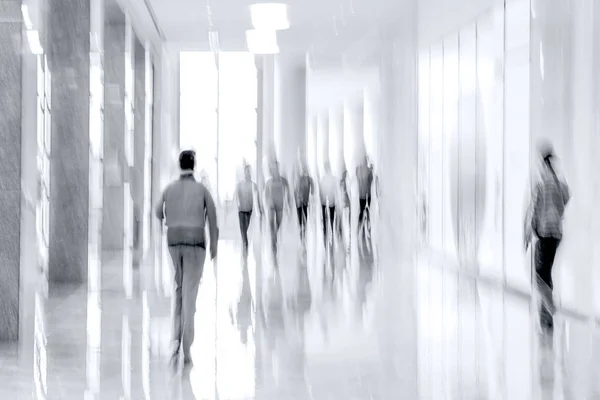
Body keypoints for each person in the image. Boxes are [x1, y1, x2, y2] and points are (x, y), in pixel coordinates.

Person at [155, 150, 219, 369]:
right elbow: (212, 217)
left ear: (180, 165)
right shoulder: (202, 190)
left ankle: (175, 339)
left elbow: (157, 211)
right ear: (194, 164)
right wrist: (214, 248)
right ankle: (187, 348)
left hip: (173, 242)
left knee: (179, 290)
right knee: (190, 293)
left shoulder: (169, 188)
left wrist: (168, 218)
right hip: (195, 244)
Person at [524, 141, 570, 337]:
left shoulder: (541, 182)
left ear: (542, 162)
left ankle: (553, 310)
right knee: (546, 274)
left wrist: (527, 235)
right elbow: (567, 196)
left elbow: (533, 209)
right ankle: (546, 321)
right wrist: (556, 213)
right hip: (557, 234)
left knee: (538, 278)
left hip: (543, 233)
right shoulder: (559, 181)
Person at [264, 161, 292, 259]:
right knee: (271, 224)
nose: (274, 170)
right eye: (272, 168)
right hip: (271, 207)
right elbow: (266, 195)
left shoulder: (284, 181)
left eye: (275, 168)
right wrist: (268, 203)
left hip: (280, 206)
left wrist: (289, 205)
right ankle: (273, 244)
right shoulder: (268, 182)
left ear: (278, 168)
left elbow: (288, 193)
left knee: (278, 224)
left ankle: (274, 237)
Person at [233, 164, 262, 254]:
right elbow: (235, 196)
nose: (249, 173)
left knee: (245, 231)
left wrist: (260, 211)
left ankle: (244, 251)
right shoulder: (240, 184)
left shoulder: (253, 185)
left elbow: (258, 198)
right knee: (244, 234)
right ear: (244, 172)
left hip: (249, 211)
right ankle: (245, 251)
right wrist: (236, 205)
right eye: (247, 171)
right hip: (241, 211)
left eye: (250, 171)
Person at [320, 162, 338, 248]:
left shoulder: (324, 178)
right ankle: (329, 228)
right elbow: (335, 189)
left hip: (327, 199)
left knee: (327, 215)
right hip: (330, 199)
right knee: (330, 215)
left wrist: (322, 198)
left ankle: (326, 229)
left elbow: (322, 189)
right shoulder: (332, 178)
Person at [294, 162, 314, 241]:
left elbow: (312, 191)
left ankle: (302, 232)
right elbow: (296, 190)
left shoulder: (307, 179)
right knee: (302, 217)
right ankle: (302, 232)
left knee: (303, 217)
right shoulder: (305, 179)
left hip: (303, 202)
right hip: (301, 201)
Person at [356, 156, 374, 240]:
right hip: (368, 194)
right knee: (368, 210)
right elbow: (371, 181)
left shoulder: (358, 170)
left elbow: (357, 177)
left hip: (361, 195)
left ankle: (360, 227)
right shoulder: (369, 171)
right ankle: (367, 226)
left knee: (361, 210)